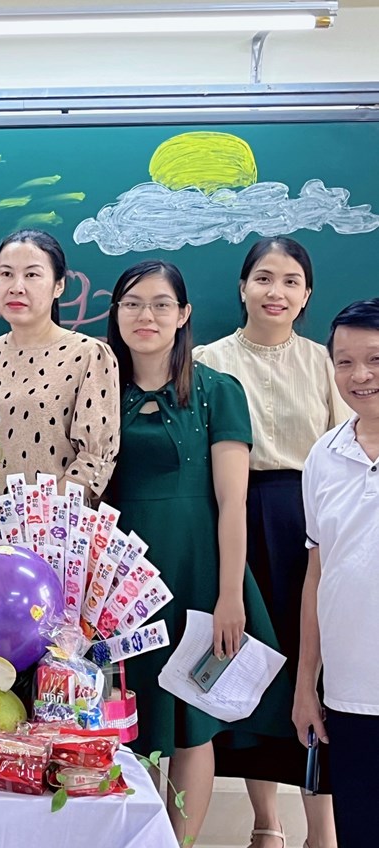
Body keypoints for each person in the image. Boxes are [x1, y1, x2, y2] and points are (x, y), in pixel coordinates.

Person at [105, 259, 293, 846]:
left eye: (161, 304)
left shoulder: (217, 390)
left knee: (192, 720)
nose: (147, 316)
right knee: (125, 716)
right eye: (133, 303)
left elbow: (232, 503)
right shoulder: (98, 387)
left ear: (184, 314)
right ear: (116, 313)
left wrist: (230, 595)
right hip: (118, 577)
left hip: (196, 569)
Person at [196, 238, 345, 848]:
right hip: (233, 522)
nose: (275, 292)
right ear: (242, 286)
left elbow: (347, 447)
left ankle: (323, 831)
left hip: (310, 525)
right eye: (263, 277)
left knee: (318, 670)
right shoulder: (206, 359)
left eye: (290, 281)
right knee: (252, 670)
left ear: (306, 295)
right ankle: (267, 823)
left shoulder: (326, 362)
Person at [295, 298, 379, 847]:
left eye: (375, 359)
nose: (360, 375)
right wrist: (307, 685)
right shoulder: (324, 455)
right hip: (350, 697)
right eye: (344, 362)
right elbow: (317, 577)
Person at [0, 229, 119, 499]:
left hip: (56, 519)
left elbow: (95, 459)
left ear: (59, 285)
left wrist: (39, 513)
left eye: (32, 275)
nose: (17, 287)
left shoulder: (88, 354)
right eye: (6, 274)